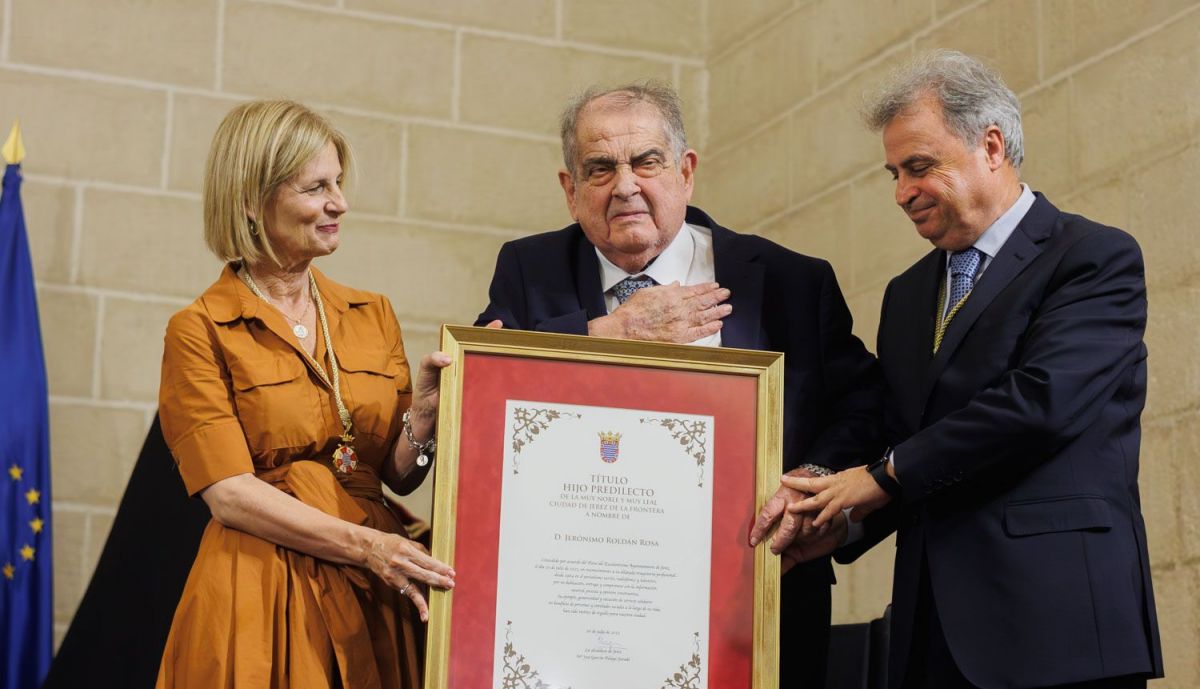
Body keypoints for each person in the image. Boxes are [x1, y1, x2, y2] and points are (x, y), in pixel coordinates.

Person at [768, 51, 1164, 689]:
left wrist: (881, 478)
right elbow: (905, 435)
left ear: (992, 146)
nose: (902, 192)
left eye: (920, 167)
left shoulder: (1092, 257)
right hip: (931, 635)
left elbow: (1039, 405)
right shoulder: (906, 295)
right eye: (895, 173)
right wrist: (842, 519)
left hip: (1058, 628)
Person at [476, 82, 884, 687]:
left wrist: (812, 481)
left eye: (646, 162)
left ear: (686, 172)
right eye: (600, 168)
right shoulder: (528, 270)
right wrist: (610, 331)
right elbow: (485, 393)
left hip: (751, 603)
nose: (625, 186)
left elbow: (868, 408)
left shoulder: (790, 281)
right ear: (570, 190)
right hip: (574, 607)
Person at [155, 100, 455, 689]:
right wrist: (365, 546)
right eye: (316, 187)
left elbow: (395, 475)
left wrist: (423, 418)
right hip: (260, 589)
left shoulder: (373, 313)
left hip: (375, 589)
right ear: (251, 200)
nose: (339, 203)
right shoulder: (199, 329)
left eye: (338, 183)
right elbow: (229, 494)